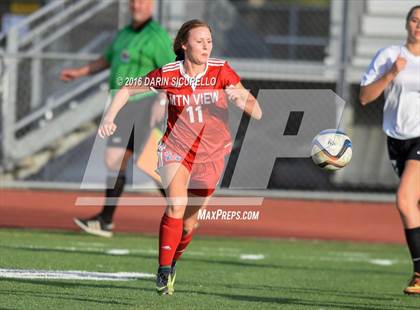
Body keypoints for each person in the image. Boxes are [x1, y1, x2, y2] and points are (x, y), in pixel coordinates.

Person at [98, 19, 262, 295]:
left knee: (189, 223)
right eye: (199, 41)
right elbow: (127, 89)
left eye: (209, 41)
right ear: (184, 44)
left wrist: (240, 100)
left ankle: (173, 260)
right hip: (175, 149)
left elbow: (258, 112)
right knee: (176, 204)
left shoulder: (222, 71)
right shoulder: (169, 73)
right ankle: (163, 270)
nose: (206, 46)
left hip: (210, 155)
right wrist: (109, 117)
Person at [60, 0, 175, 237]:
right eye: (134, 1)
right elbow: (106, 60)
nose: (137, 5)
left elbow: (170, 71)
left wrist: (161, 102)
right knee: (135, 162)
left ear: (152, 6)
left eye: (143, 2)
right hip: (121, 105)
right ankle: (107, 220)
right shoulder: (124, 33)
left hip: (141, 103)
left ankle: (109, 219)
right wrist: (79, 73)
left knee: (131, 160)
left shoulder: (157, 36)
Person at [359, 5, 420, 295]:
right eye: (414, 20)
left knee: (405, 200)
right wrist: (391, 74)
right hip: (396, 140)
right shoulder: (388, 56)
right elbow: (364, 97)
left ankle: (419, 274)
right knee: (413, 207)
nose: (418, 25)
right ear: (406, 23)